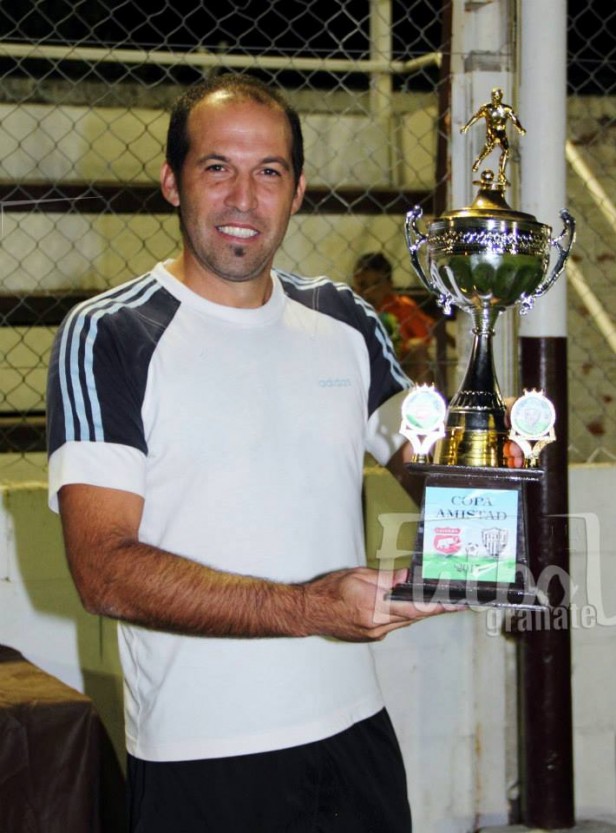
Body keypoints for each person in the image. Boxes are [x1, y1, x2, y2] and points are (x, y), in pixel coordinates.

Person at [46, 72, 458, 833]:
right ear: (172, 181)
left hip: (355, 735)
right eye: (217, 167)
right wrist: (310, 607)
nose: (244, 198)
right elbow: (102, 569)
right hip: (202, 758)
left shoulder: (345, 318)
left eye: (269, 171)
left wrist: (490, 486)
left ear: (297, 190)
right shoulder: (110, 334)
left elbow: (428, 463)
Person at [352, 252, 436, 382]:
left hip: (399, 367)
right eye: (362, 285)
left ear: (389, 284)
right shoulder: (351, 310)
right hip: (363, 367)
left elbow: (425, 337)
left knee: (418, 347)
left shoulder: (402, 307)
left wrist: (400, 347)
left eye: (376, 284)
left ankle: (424, 394)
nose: (368, 291)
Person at [460, 87, 526, 185]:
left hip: (501, 133)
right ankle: (479, 161)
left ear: (501, 97)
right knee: (488, 148)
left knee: (506, 152)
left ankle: (501, 174)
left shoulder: (506, 109)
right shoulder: (487, 108)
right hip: (491, 133)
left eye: (497, 96)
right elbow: (476, 117)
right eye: (493, 96)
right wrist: (466, 126)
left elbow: (514, 120)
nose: (495, 98)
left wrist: (520, 128)